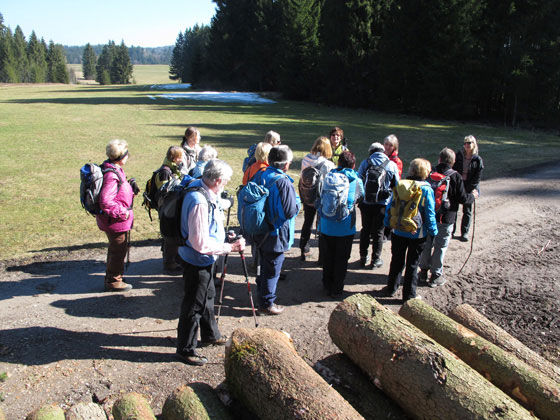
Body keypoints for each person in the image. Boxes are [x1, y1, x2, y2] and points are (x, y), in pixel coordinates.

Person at [175, 159, 245, 366]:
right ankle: (185, 349)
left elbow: (210, 229)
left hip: (206, 258)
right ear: (218, 180)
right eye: (226, 181)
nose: (226, 184)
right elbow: (200, 244)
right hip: (197, 260)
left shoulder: (204, 190)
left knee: (208, 297)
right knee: (194, 305)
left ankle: (210, 334)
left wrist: (225, 237)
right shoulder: (198, 200)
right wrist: (229, 247)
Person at [418, 148, 478, 287]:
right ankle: (435, 276)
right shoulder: (455, 176)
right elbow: (463, 198)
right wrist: (473, 196)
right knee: (441, 246)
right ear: (453, 162)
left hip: (428, 216)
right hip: (446, 218)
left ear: (439, 159)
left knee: (427, 244)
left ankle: (422, 273)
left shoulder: (430, 172)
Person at [382, 158, 438, 303]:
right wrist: (433, 231)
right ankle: (409, 295)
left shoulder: (401, 185)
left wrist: (388, 224)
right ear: (425, 172)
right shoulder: (426, 189)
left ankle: (391, 288)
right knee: (413, 264)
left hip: (398, 230)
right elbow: (429, 213)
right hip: (417, 233)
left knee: (396, 261)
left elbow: (390, 206)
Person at [252, 145, 300, 315]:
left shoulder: (260, 174)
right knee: (272, 268)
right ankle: (267, 304)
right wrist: (298, 203)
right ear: (286, 164)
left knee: (264, 264)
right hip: (276, 233)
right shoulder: (282, 181)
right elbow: (289, 211)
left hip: (259, 229)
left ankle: (262, 295)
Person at [319, 151, 364, 298]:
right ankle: (337, 289)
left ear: (338, 163)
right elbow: (361, 197)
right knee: (341, 259)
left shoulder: (329, 177)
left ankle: (326, 285)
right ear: (353, 165)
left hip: (326, 224)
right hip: (345, 227)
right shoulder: (356, 180)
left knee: (328, 257)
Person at [96, 139, 139, 292]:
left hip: (116, 220)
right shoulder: (111, 175)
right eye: (127, 154)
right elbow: (106, 202)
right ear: (121, 156)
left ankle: (114, 276)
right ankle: (114, 281)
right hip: (115, 221)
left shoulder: (113, 169)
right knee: (117, 250)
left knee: (117, 249)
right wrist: (124, 212)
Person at [357, 142, 400, 268]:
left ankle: (362, 257)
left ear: (371, 151)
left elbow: (359, 180)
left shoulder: (366, 162)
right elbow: (397, 185)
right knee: (378, 232)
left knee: (365, 230)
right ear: (383, 152)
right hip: (382, 204)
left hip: (366, 203)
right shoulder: (391, 165)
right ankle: (375, 260)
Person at [298, 136, 335, 261]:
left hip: (307, 195)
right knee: (321, 225)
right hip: (321, 198)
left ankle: (304, 249)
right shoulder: (328, 164)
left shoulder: (306, 159)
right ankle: (321, 256)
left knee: (307, 222)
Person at [154, 146, 186, 275]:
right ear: (176, 158)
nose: (183, 158)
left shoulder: (171, 168)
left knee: (170, 235)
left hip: (170, 207)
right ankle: (169, 263)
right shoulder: (165, 172)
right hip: (168, 209)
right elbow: (164, 192)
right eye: (181, 156)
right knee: (169, 236)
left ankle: (171, 260)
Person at [453, 135, 484, 242]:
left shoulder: (477, 160)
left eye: (469, 143)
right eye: (465, 143)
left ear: (474, 144)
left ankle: (464, 233)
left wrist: (470, 188)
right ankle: (451, 231)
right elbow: (454, 170)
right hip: (459, 184)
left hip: (469, 186)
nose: (467, 145)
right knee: (454, 208)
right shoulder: (459, 155)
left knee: (467, 211)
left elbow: (477, 177)